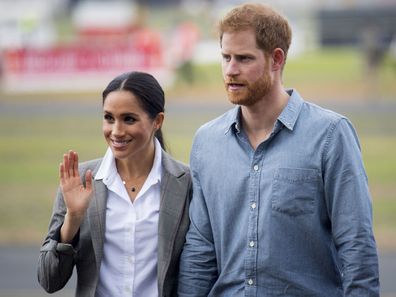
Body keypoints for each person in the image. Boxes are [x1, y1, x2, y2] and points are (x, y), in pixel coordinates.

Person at [178, 3, 379, 297]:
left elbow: (356, 243)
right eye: (226, 57)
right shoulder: (206, 142)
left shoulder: (331, 134)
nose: (231, 70)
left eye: (244, 58)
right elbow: (200, 249)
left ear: (276, 59)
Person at [38, 71, 192, 297]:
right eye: (109, 118)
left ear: (157, 121)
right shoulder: (79, 181)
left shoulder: (186, 183)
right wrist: (72, 220)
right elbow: (49, 280)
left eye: (129, 119)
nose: (116, 131)